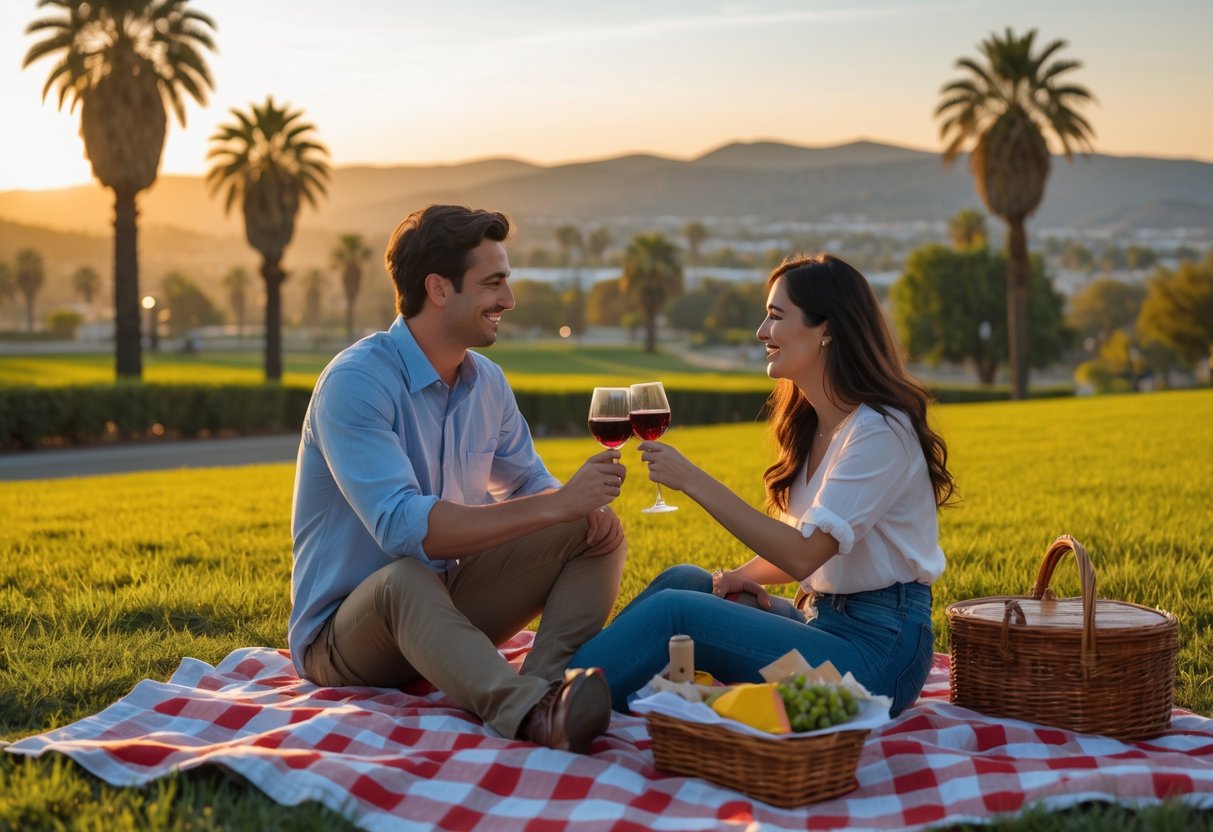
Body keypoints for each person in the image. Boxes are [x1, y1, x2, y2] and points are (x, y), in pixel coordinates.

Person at [289, 204, 628, 754]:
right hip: (345, 638)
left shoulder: (486, 382)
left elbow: (530, 489)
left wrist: (571, 507)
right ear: (439, 289)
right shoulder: (356, 382)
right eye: (493, 284)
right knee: (405, 576)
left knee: (596, 528)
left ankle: (547, 696)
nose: (509, 301)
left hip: (444, 609)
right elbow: (404, 529)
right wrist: (555, 506)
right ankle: (522, 711)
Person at [569, 253, 955, 717]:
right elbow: (802, 551)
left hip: (875, 659)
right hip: (823, 624)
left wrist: (691, 479)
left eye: (776, 316)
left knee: (679, 614)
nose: (761, 332)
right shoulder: (816, 425)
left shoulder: (879, 431)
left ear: (826, 329)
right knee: (691, 582)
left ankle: (553, 697)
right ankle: (582, 684)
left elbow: (802, 553)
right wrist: (740, 579)